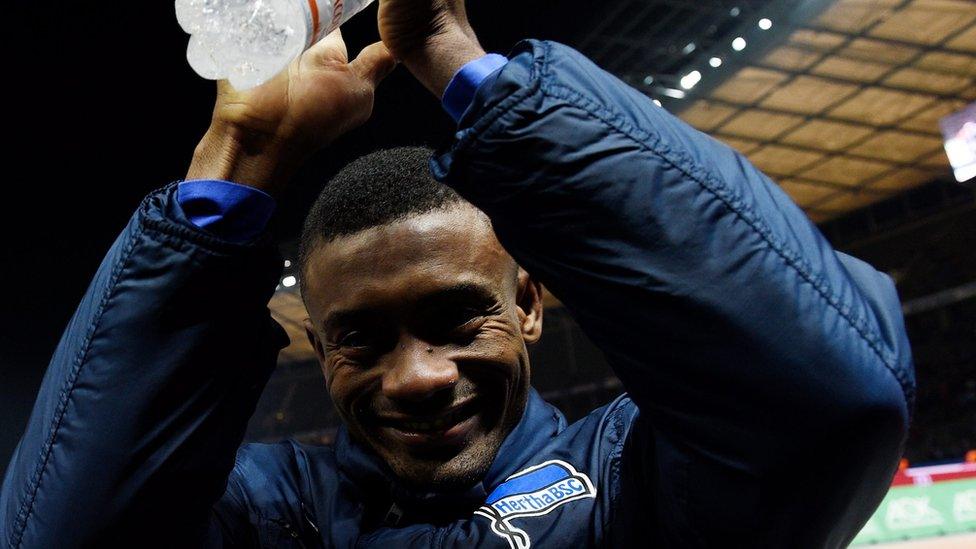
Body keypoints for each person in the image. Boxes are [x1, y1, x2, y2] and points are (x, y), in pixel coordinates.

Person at [1, 0, 915, 547]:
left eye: (455, 317)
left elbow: (838, 402)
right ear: (318, 349)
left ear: (527, 304)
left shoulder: (643, 479)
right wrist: (241, 154)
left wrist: (464, 66)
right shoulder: (268, 515)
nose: (419, 375)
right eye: (360, 336)